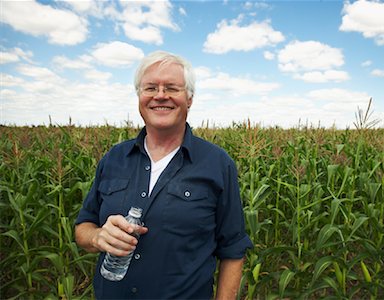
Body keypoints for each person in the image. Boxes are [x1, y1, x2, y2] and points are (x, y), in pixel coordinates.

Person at [74, 50, 253, 299]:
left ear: (189, 98)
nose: (160, 95)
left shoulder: (217, 164)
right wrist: (97, 237)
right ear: (139, 96)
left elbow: (233, 250)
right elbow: (83, 226)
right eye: (150, 88)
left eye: (172, 88)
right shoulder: (114, 158)